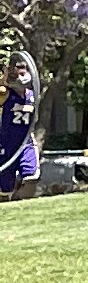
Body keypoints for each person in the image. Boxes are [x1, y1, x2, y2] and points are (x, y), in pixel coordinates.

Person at [2, 28, 40, 200]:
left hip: (25, 143)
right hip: (5, 144)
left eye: (25, 69)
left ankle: (22, 204)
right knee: (4, 190)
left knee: (32, 176)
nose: (23, 73)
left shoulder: (32, 95)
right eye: (18, 69)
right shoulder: (5, 94)